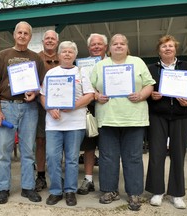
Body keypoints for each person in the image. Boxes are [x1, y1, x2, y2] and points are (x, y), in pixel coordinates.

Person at [90, 34, 155, 211]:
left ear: (127, 47)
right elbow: (90, 87)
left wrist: (142, 95)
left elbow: (150, 84)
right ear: (109, 48)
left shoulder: (138, 62)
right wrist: (97, 95)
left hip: (134, 117)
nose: (118, 46)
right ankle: (110, 190)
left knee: (133, 157)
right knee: (108, 157)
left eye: (122, 44)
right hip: (108, 117)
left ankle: (134, 193)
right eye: (115, 43)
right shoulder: (100, 65)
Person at [0, 21, 45, 204]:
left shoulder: (36, 58)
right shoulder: (3, 55)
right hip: (7, 105)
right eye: (19, 32)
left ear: (30, 36)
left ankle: (28, 187)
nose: (22, 36)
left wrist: (35, 92)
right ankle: (3, 187)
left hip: (29, 108)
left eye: (26, 33)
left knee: (28, 150)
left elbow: (41, 85)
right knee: (3, 151)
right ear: (14, 35)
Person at [40, 41, 94, 206]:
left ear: (75, 55)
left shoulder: (81, 72)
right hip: (54, 123)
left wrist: (73, 106)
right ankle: (56, 191)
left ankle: (70, 191)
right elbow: (42, 95)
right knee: (52, 157)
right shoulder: (51, 73)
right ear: (58, 55)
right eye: (64, 51)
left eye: (71, 51)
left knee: (71, 159)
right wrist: (49, 108)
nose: (67, 54)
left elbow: (90, 95)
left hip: (75, 123)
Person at [145, 35, 187, 209]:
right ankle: (157, 191)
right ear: (159, 50)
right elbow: (145, 91)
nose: (167, 49)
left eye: (170, 46)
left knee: (178, 154)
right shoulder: (151, 69)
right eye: (164, 46)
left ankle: (177, 194)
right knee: (156, 154)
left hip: (182, 116)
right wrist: (151, 96)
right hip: (158, 116)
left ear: (175, 49)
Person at [77, 33, 108, 195]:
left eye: (99, 44)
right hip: (89, 110)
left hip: (109, 110)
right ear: (89, 48)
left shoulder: (112, 64)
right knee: (89, 147)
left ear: (105, 47)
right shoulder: (82, 66)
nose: (96, 47)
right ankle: (88, 179)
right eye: (93, 45)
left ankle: (108, 181)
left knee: (108, 147)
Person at [35, 29, 60, 192]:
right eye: (47, 38)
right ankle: (41, 175)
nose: (50, 40)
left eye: (53, 38)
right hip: (40, 105)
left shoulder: (65, 56)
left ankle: (57, 174)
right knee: (41, 141)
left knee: (60, 141)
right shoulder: (35, 58)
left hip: (62, 106)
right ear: (43, 41)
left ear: (57, 42)